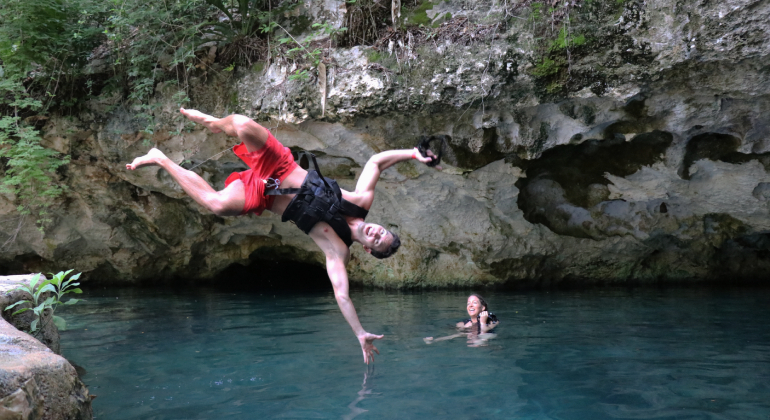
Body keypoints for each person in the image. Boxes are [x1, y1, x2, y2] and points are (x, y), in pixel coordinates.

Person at [126, 108, 437, 364]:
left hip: (264, 195)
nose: (375, 232)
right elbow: (376, 162)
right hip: (280, 165)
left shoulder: (337, 250)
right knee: (242, 123)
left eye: (377, 240)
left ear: (369, 250)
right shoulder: (361, 201)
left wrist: (359, 333)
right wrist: (413, 153)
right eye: (381, 231)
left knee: (216, 204)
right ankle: (214, 123)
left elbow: (341, 294)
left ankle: (160, 158)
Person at [424, 294, 499, 345]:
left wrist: (482, 322)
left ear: (483, 307)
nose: (470, 305)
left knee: (484, 338)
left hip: (483, 340)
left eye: (474, 302)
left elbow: (485, 331)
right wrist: (435, 340)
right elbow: (454, 335)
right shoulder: (463, 323)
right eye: (468, 303)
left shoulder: (491, 320)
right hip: (470, 339)